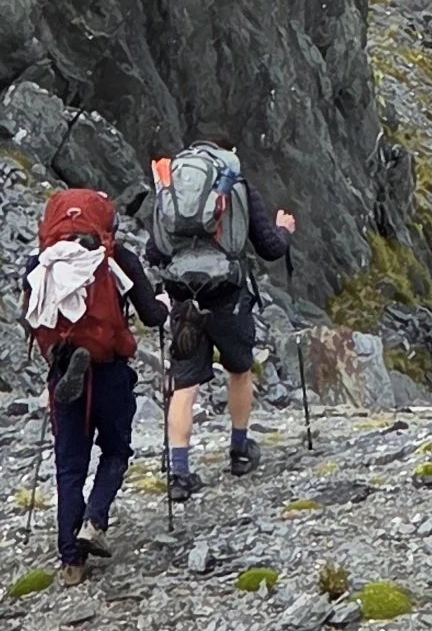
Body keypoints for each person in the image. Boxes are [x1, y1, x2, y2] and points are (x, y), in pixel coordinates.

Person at [20, 185, 165, 579]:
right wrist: (165, 304)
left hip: (62, 368)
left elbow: (30, 317)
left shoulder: (41, 262)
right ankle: (94, 520)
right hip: (111, 370)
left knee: (70, 465)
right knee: (115, 450)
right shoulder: (116, 258)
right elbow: (151, 316)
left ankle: (71, 562)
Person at [150, 151, 298, 493]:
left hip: (184, 298)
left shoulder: (174, 186)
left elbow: (155, 252)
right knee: (239, 370)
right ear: (229, 153)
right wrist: (284, 230)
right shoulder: (237, 185)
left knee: (185, 385)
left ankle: (180, 473)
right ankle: (239, 451)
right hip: (228, 295)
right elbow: (270, 247)